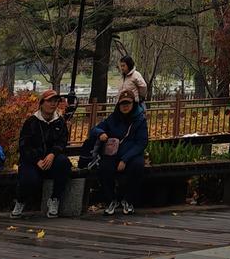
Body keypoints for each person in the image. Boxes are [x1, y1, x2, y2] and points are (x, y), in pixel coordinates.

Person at [83, 86, 148, 216]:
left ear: (133, 104)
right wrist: (101, 133)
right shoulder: (113, 118)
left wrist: (125, 159)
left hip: (131, 154)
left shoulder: (140, 120)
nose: (125, 106)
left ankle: (128, 200)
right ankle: (111, 199)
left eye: (128, 103)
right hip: (113, 153)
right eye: (122, 103)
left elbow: (141, 143)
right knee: (104, 168)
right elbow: (94, 129)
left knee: (137, 166)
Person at [12, 89, 72, 218]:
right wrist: (36, 159)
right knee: (29, 179)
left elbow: (62, 142)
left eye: (55, 101)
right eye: (49, 101)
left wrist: (52, 154)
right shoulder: (31, 122)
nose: (53, 104)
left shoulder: (60, 122)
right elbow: (24, 146)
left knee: (64, 163)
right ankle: (20, 201)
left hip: (51, 159)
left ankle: (55, 199)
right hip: (32, 161)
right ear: (42, 103)